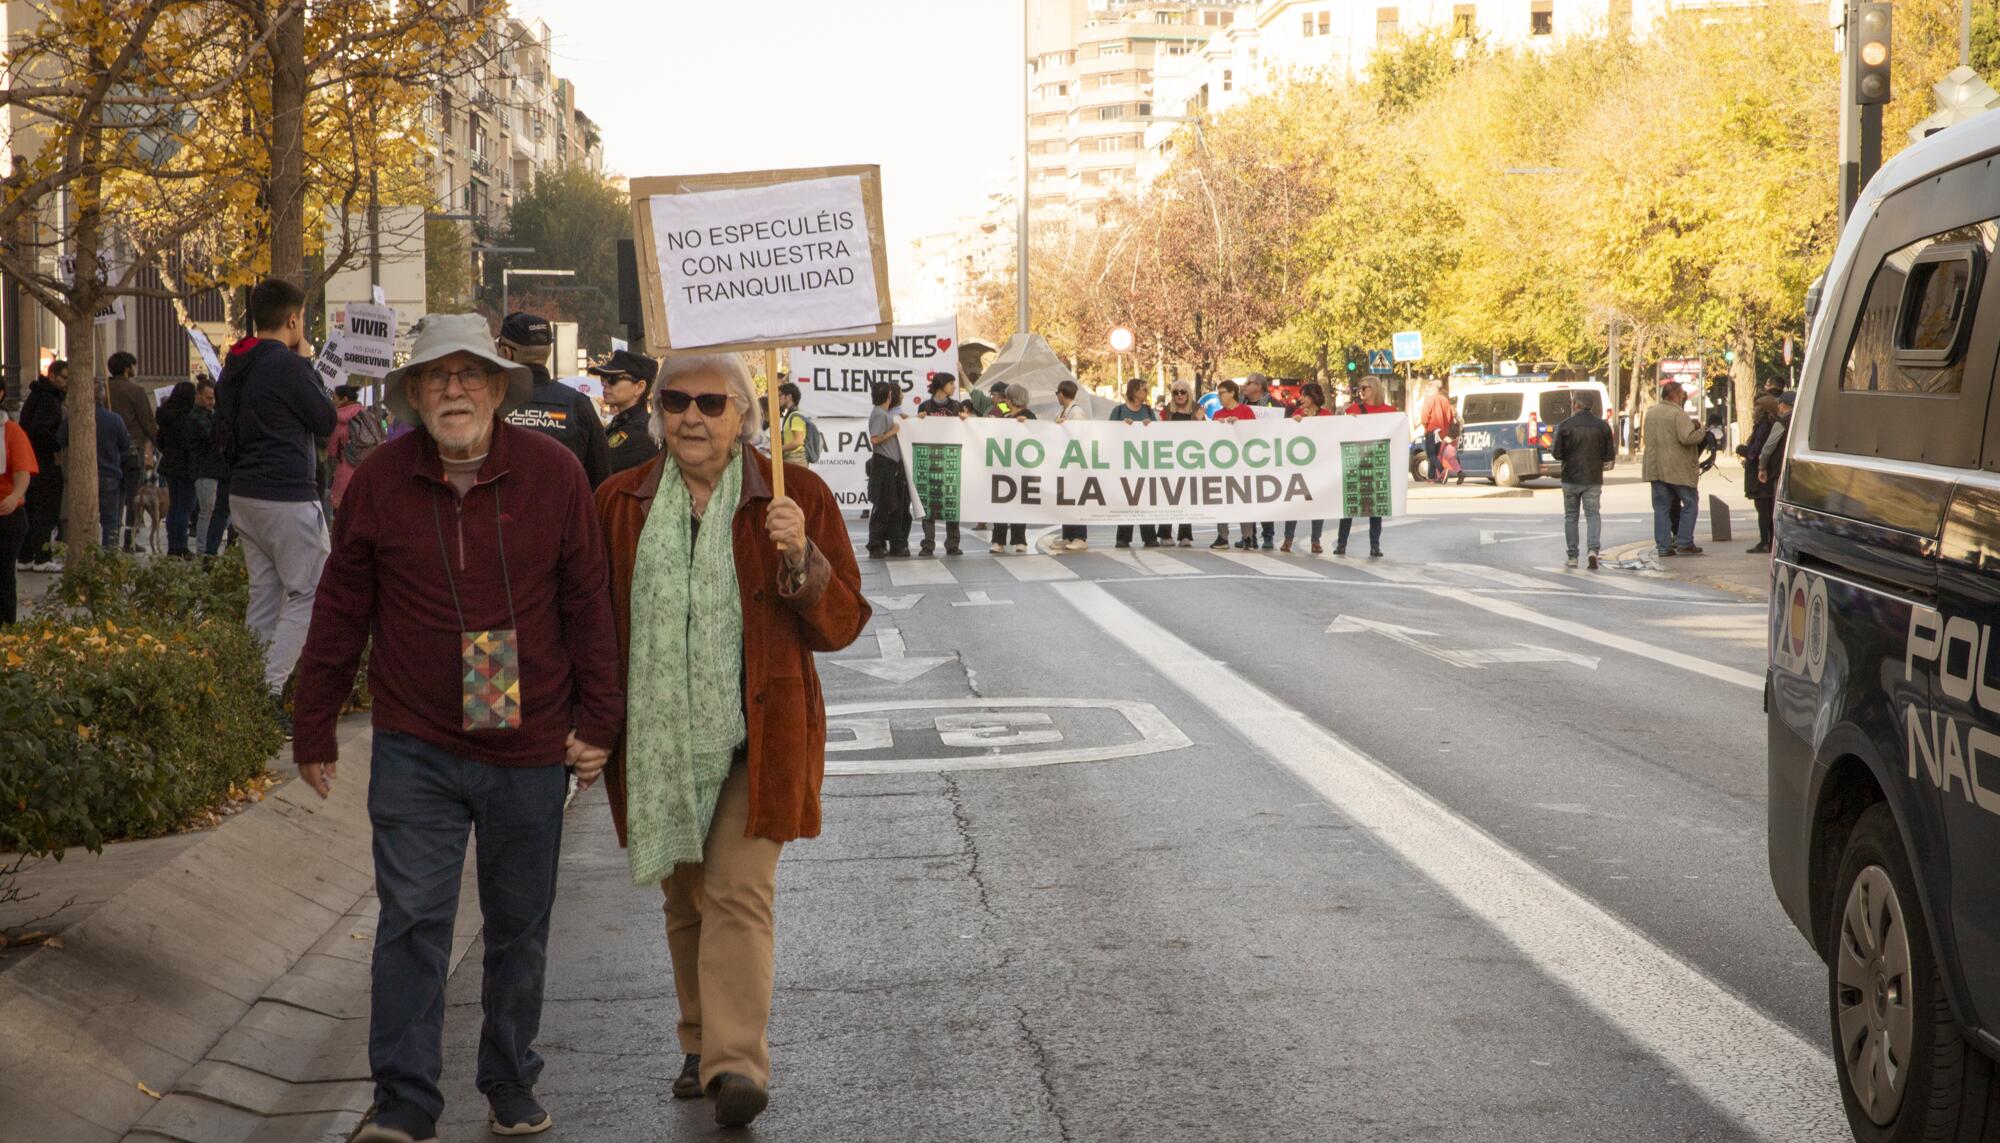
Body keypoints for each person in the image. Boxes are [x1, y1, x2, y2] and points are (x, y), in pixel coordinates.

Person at [295, 313, 623, 1143]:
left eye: (470, 374)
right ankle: (405, 1098)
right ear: (411, 393)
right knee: (412, 918)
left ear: (498, 387)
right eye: (436, 376)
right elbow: (340, 606)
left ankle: (510, 1076)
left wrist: (599, 720)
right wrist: (315, 720)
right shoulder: (377, 480)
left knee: (520, 921)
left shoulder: (553, 474)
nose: (453, 389)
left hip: (530, 741)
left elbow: (589, 603)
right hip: (417, 742)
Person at [594, 352, 868, 1129]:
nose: (692, 416)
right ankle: (698, 1037)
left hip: (761, 737)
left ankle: (736, 1064)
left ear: (746, 415)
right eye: (676, 400)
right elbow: (591, 623)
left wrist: (799, 554)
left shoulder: (795, 494)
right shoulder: (619, 502)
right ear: (657, 411)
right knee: (685, 898)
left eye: (712, 403)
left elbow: (843, 623)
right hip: (655, 740)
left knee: (738, 890)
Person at [217, 277, 337, 735]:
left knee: (265, 596)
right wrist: (306, 362)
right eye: (301, 320)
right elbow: (324, 420)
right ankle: (267, 691)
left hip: (245, 494)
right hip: (285, 494)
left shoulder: (237, 363)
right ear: (292, 319)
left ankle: (247, 691)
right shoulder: (287, 365)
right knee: (311, 591)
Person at [497, 311, 611, 488]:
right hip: (562, 513)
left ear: (506, 353)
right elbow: (601, 478)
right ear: (549, 352)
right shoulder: (578, 404)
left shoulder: (488, 403)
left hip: (499, 513)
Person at [56, 379, 135, 548]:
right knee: (111, 521)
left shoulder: (75, 418)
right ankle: (109, 556)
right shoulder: (114, 419)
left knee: (83, 520)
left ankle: (84, 553)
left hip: (82, 476)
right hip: (109, 474)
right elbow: (125, 444)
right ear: (102, 396)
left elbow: (60, 439)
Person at [1551, 390, 1615, 569]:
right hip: (1593, 478)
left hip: (1570, 477)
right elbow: (1609, 455)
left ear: (1575, 405)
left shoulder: (1565, 426)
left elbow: (1556, 453)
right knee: (1593, 515)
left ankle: (1572, 556)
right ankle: (1593, 550)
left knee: (1571, 516)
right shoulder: (1602, 426)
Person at [1642, 380, 1706, 558]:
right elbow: (1687, 438)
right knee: (1690, 502)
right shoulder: (1678, 414)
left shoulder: (1651, 413)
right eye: (1682, 394)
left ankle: (1663, 547)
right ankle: (1684, 542)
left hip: (1655, 467)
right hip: (1677, 468)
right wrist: (1701, 431)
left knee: (1661, 508)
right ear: (1675, 395)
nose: (1683, 397)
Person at [1336, 378, 1396, 558]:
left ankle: (1375, 545)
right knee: (1350, 506)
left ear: (1375, 389)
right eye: (1359, 387)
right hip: (1355, 460)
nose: (1361, 391)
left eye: (1364, 388)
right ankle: (1341, 544)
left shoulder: (1389, 412)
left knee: (1375, 508)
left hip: (1377, 461)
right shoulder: (1353, 410)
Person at [106, 351, 158, 552]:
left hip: (108, 449)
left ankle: (111, 538)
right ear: (127, 368)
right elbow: (147, 421)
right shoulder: (135, 391)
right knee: (133, 498)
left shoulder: (105, 389)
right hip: (131, 448)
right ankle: (128, 539)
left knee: (113, 496)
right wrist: (157, 442)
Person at [17, 359, 66, 570]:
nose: (66, 382)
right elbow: (41, 431)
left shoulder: (39, 396)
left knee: (33, 508)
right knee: (45, 510)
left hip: (32, 461)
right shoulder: (48, 399)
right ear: (52, 375)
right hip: (44, 462)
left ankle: (26, 556)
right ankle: (42, 557)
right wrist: (57, 445)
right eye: (64, 377)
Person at [914, 373, 968, 557]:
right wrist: (918, 420)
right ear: (941, 385)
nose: (954, 387)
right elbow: (915, 432)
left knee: (951, 505)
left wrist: (965, 421)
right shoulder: (925, 407)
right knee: (928, 505)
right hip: (929, 461)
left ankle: (952, 544)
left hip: (951, 463)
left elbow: (966, 431)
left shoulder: (956, 406)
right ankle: (927, 545)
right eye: (951, 383)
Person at [0, 376, 39, 623]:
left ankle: (6, 627)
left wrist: (15, 496)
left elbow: (23, 472)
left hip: (6, 514)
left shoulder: (11, 431)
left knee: (3, 575)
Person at [592, 349, 662, 476]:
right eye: (604, 378)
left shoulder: (641, 433)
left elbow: (599, 470)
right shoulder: (621, 423)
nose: (605, 384)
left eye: (613, 379)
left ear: (639, 387)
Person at [1281, 382, 1332, 553]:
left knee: (1317, 504)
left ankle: (1315, 540)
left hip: (1319, 466)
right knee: (1294, 503)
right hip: (1299, 466)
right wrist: (1294, 423)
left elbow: (1331, 433)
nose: (1300, 398)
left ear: (1314, 397)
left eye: (1304, 395)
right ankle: (1288, 538)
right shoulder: (1297, 414)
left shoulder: (1326, 415)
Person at [1108, 378, 1158, 549]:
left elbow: (1160, 434)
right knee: (1126, 499)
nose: (1147, 393)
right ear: (1134, 391)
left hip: (1144, 462)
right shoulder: (1119, 411)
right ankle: (1123, 537)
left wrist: (1150, 426)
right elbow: (1110, 433)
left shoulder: (1148, 411)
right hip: (1124, 462)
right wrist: (1122, 426)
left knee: (1145, 498)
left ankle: (1149, 537)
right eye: (1144, 389)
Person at [1207, 379, 1257, 549]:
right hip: (1222, 464)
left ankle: (1247, 537)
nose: (1219, 397)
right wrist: (1217, 427)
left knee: (1244, 499)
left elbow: (1256, 435)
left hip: (1243, 463)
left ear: (1232, 393)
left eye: (1222, 393)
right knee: (1221, 499)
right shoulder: (1217, 415)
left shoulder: (1246, 411)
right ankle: (1222, 536)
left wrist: (1239, 425)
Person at [864, 381, 912, 558]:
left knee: (892, 505)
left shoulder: (883, 413)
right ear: (889, 396)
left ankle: (890, 543)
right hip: (884, 463)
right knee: (884, 506)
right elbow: (875, 439)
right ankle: (875, 544)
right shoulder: (879, 414)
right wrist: (893, 431)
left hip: (891, 464)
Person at [1237, 374, 1284, 549]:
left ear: (1258, 386)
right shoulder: (1242, 403)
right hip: (1244, 455)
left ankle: (1268, 535)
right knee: (1246, 497)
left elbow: (1282, 423)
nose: (1244, 386)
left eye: (1247, 383)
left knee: (1264, 497)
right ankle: (1249, 536)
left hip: (1266, 455)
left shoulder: (1273, 403)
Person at [1157, 380, 1205, 548]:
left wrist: (1200, 421)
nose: (1179, 395)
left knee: (1187, 497)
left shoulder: (1197, 410)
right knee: (1168, 497)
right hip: (1169, 459)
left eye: (1182, 392)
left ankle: (1185, 535)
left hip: (1190, 460)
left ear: (1188, 393)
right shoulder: (1167, 411)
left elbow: (1207, 435)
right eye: (1175, 392)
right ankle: (1165, 534)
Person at [990, 384, 1035, 554]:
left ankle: (1019, 540)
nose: (1005, 401)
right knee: (1001, 503)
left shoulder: (1029, 416)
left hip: (1022, 467)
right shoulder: (1005, 415)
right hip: (1004, 467)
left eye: (1007, 398)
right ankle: (998, 540)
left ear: (1011, 399)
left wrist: (1027, 424)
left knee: (1019, 504)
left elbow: (1039, 433)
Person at [186, 378, 230, 554]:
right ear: (198, 396)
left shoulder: (209, 414)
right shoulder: (197, 417)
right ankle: (203, 549)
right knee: (207, 511)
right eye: (208, 398)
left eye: (213, 398)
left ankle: (207, 548)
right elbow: (211, 436)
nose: (211, 402)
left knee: (217, 511)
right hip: (204, 470)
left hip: (214, 470)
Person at [155, 381, 198, 555]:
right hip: (185, 466)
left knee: (175, 505)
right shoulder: (187, 417)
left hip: (170, 463)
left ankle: (173, 543)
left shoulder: (165, 415)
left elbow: (159, 441)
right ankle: (180, 545)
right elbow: (190, 443)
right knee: (185, 506)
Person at [1053, 379, 1090, 552]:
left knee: (1076, 500)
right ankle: (1068, 535)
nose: (1057, 397)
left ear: (1062, 393)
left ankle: (1080, 536)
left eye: (1057, 393)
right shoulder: (1063, 410)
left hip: (1075, 461)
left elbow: (1080, 435)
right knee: (1066, 499)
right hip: (1065, 461)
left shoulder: (1077, 412)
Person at [1417, 380, 1456, 484]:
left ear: (1434, 388)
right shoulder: (1445, 400)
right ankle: (1431, 477)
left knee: (1430, 454)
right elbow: (1450, 418)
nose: (1429, 389)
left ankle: (1442, 469)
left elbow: (1425, 417)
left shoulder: (1429, 400)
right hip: (1442, 432)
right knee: (1434, 454)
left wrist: (1426, 427)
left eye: (1430, 387)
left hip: (1432, 430)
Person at [773, 380, 810, 468]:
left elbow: (798, 441)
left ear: (789, 396)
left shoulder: (795, 416)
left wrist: (777, 449)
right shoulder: (791, 415)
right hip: (792, 459)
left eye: (780, 395)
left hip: (795, 460)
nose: (778, 398)